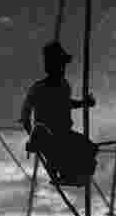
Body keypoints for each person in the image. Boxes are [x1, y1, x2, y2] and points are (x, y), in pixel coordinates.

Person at [20, 41, 98, 186]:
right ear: (50, 66)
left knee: (90, 149)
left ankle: (70, 176)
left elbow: (66, 104)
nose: (61, 69)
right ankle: (58, 168)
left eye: (62, 65)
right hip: (47, 135)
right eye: (58, 64)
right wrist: (30, 131)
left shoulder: (64, 86)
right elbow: (26, 112)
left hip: (63, 132)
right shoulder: (39, 88)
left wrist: (84, 103)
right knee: (63, 148)